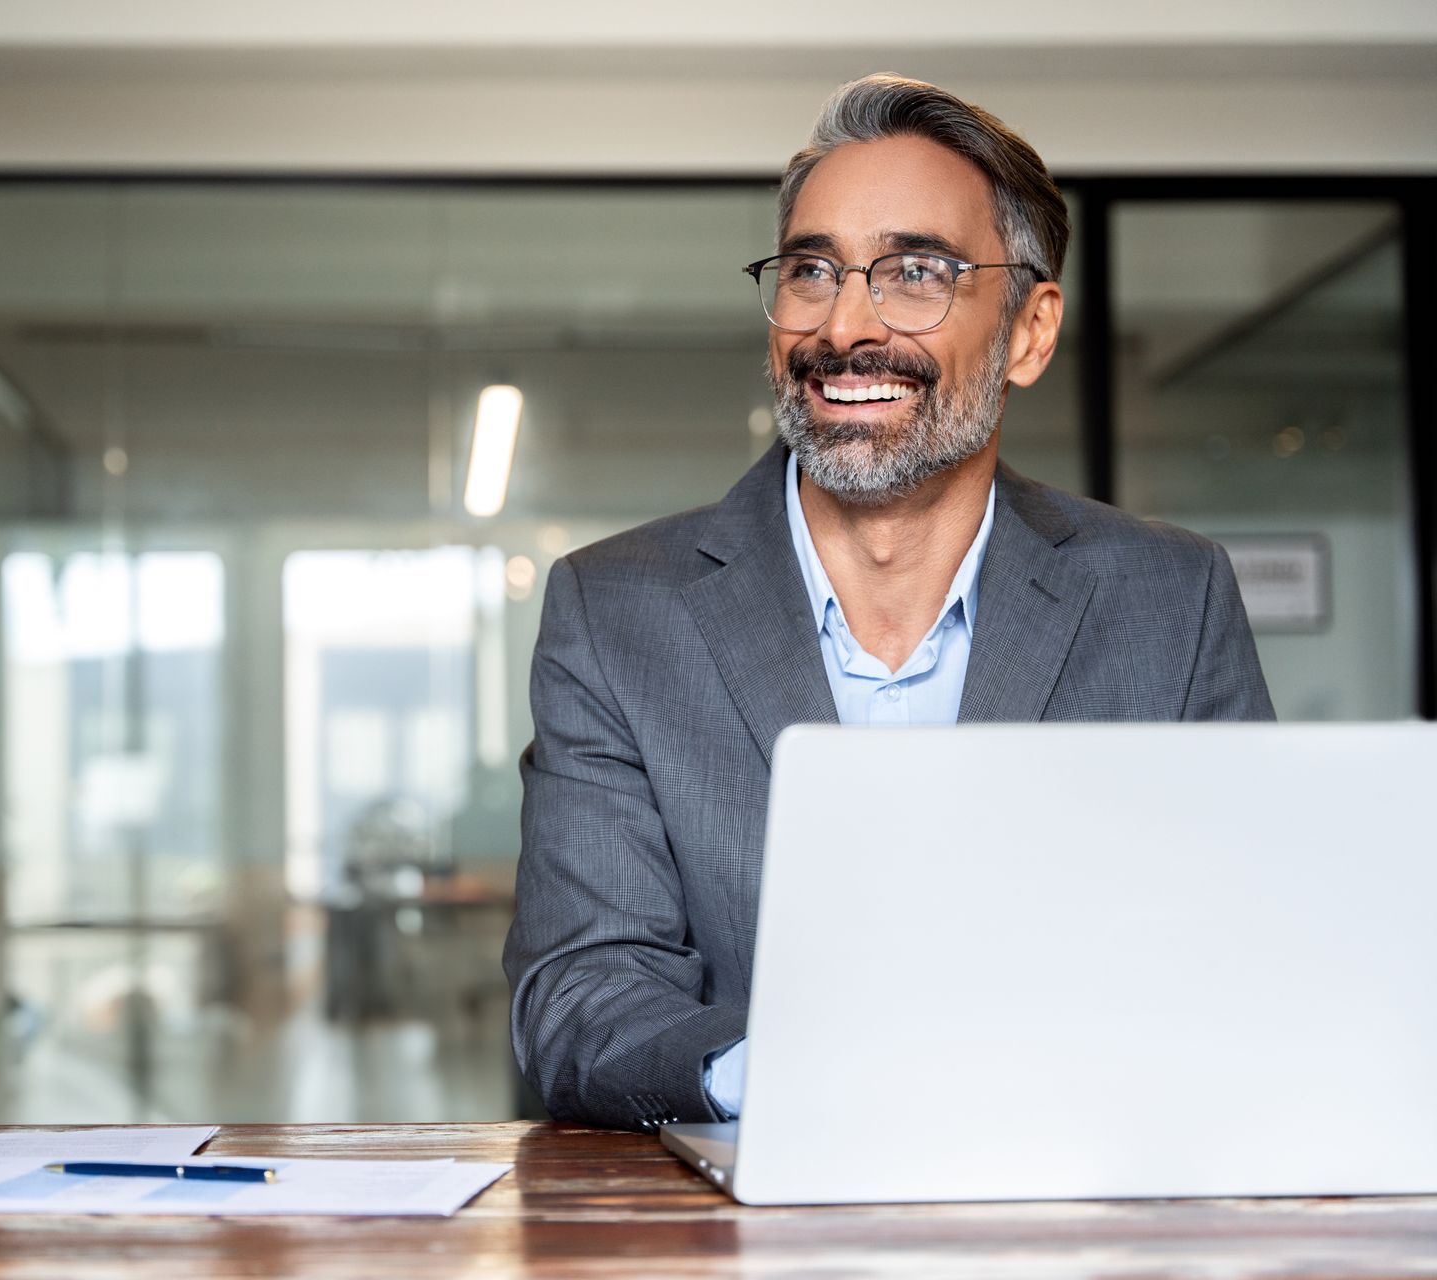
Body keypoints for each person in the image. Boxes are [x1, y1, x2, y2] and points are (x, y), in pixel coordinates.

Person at [502, 74, 1274, 1133]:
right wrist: (796, 1080)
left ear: (1029, 331)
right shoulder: (615, 610)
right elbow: (579, 995)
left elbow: (1245, 956)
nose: (845, 324)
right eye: (812, 269)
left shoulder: (1168, 600)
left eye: (915, 271)